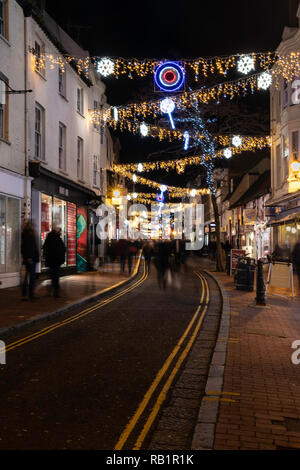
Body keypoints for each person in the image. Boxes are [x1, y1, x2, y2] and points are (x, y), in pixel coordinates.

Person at [43, 225, 66, 298]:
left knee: (51, 275)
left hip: (50, 260)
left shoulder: (48, 238)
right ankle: (55, 292)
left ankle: (49, 291)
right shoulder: (58, 238)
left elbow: (45, 248)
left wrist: (46, 257)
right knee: (55, 276)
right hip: (56, 261)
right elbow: (63, 249)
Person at [21, 220, 40, 300]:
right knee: (30, 277)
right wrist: (29, 257)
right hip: (30, 258)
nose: (33, 226)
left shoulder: (29, 233)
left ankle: (27, 294)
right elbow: (27, 247)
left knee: (28, 277)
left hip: (32, 258)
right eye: (32, 225)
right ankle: (29, 294)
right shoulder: (27, 234)